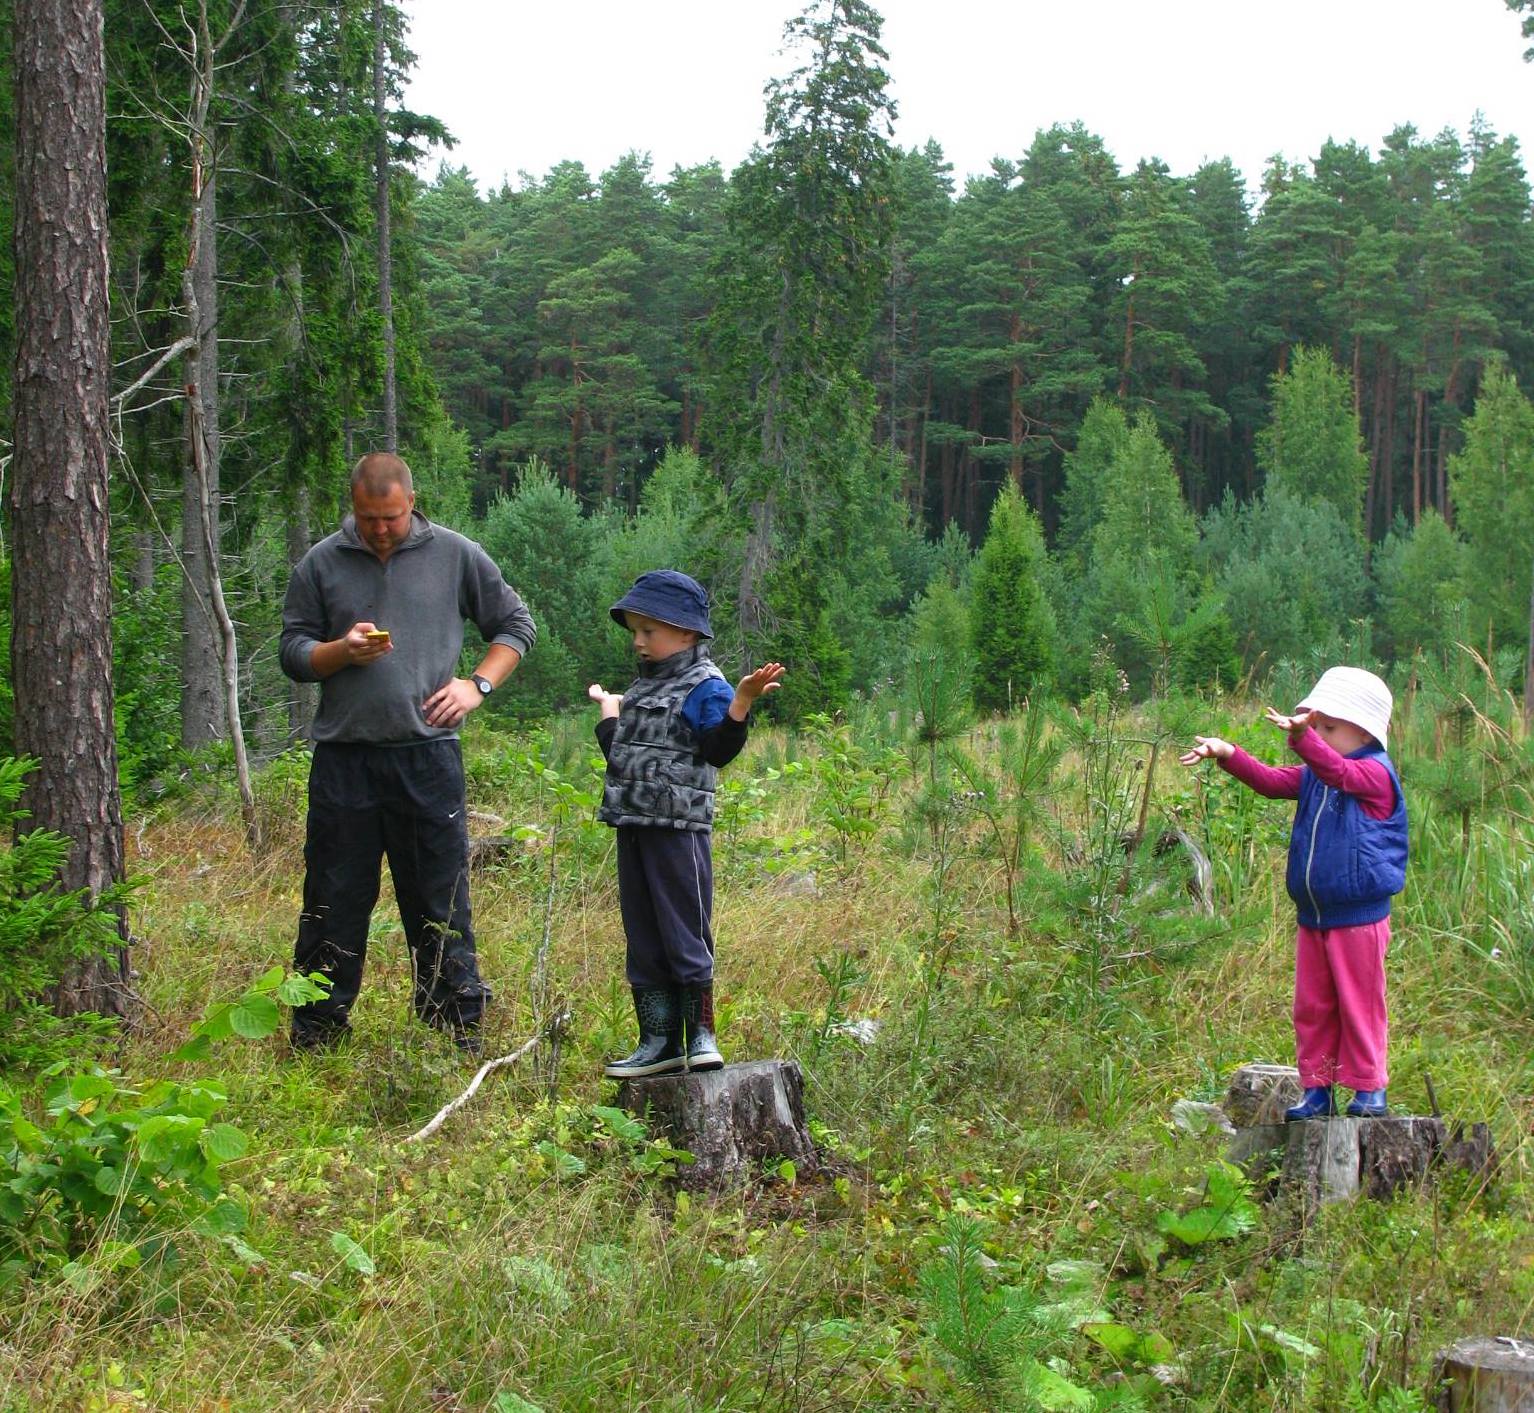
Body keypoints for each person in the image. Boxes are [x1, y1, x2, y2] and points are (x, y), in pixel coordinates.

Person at [279, 452, 535, 1054]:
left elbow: (516, 625)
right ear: (354, 507)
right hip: (345, 761)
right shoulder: (321, 562)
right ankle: (317, 1032)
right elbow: (292, 651)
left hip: (428, 759)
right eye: (369, 518)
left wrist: (477, 686)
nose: (380, 528)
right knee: (333, 898)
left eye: (391, 517)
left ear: (411, 504)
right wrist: (341, 651)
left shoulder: (455, 554)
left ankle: (453, 1028)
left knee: (438, 898)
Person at [1181, 667, 1407, 1120]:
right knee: (1313, 1006)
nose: (1317, 734)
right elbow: (1268, 782)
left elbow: (1340, 770)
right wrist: (1227, 752)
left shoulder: (1374, 775)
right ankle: (1317, 1088)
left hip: (1358, 916)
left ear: (1365, 729)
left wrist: (1305, 740)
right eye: (1314, 725)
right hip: (1314, 915)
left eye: (1328, 727)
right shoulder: (1315, 776)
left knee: (1359, 1003)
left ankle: (1368, 1088)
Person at [586, 570, 784, 1077]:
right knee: (644, 934)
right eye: (635, 630)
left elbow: (718, 751)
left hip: (679, 832)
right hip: (633, 826)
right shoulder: (642, 686)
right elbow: (624, 759)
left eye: (649, 631)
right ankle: (658, 1041)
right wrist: (610, 715)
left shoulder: (704, 686)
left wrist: (740, 704)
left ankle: (700, 1036)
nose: (638, 641)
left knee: (683, 930)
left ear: (687, 632)